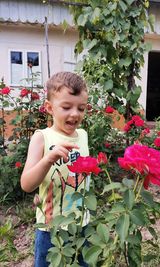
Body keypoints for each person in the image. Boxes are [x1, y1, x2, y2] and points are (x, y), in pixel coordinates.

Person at [20, 72, 89, 267]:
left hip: (81, 223)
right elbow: (26, 184)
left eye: (81, 108)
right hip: (51, 228)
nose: (75, 113)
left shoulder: (82, 135)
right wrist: (48, 159)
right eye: (66, 107)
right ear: (49, 108)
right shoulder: (42, 138)